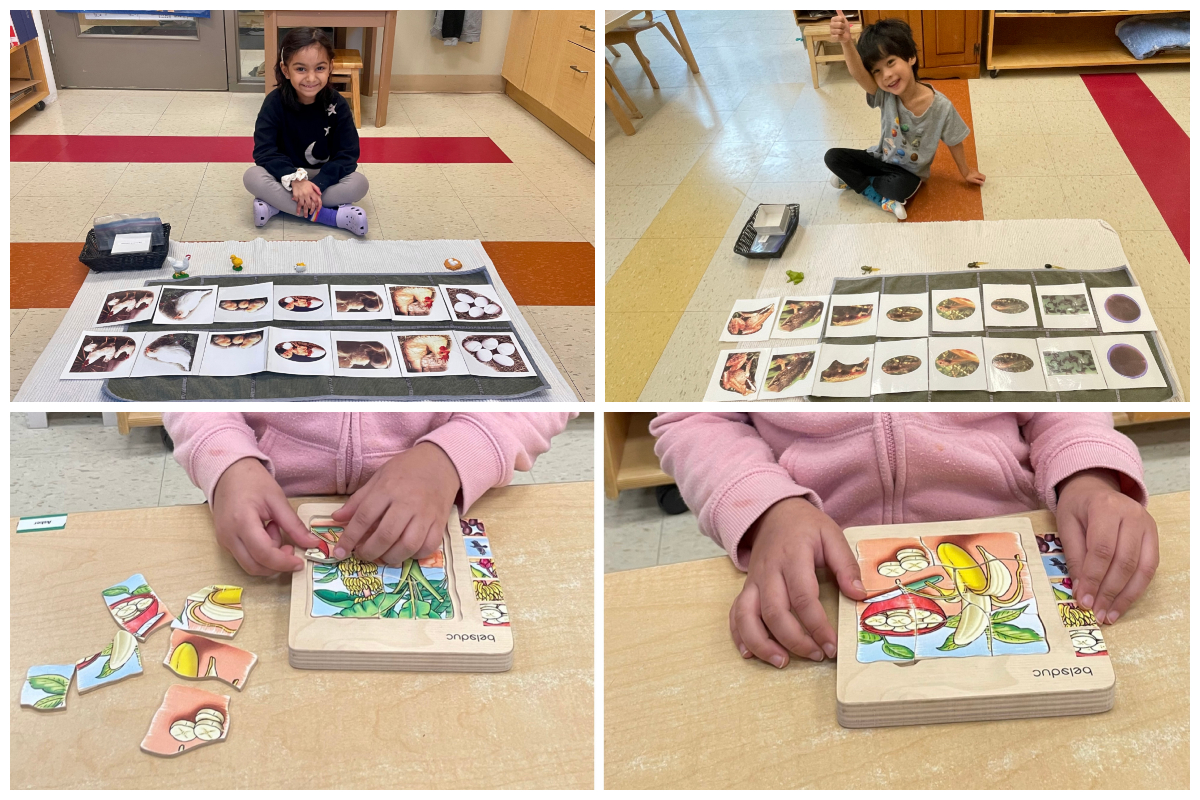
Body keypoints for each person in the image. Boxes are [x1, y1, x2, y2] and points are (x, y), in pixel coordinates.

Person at [650, 412, 1158, 668]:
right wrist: (766, 508)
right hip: (815, 569)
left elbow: (1059, 378)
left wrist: (1088, 472)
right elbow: (695, 417)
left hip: (1013, 546)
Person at [163, 412, 574, 575]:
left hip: (450, 501)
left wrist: (451, 456)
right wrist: (225, 459)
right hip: (262, 513)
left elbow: (544, 399)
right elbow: (185, 383)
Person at [823, 11, 985, 220]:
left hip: (909, 174)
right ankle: (874, 193)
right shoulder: (885, 95)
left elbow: (954, 141)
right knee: (833, 157)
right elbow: (858, 74)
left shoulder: (941, 106)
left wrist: (966, 171)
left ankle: (860, 182)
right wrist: (846, 42)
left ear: (911, 57)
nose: (887, 75)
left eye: (891, 62)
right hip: (880, 159)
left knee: (898, 187)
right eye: (877, 71)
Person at [243, 26, 369, 236]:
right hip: (285, 176)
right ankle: (331, 217)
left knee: (359, 184)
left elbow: (347, 156)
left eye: (319, 68)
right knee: (252, 176)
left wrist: (315, 185)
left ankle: (278, 206)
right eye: (301, 69)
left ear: (330, 67)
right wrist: (295, 181)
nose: (311, 78)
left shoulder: (337, 103)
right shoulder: (274, 102)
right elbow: (264, 152)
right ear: (285, 70)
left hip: (321, 176)